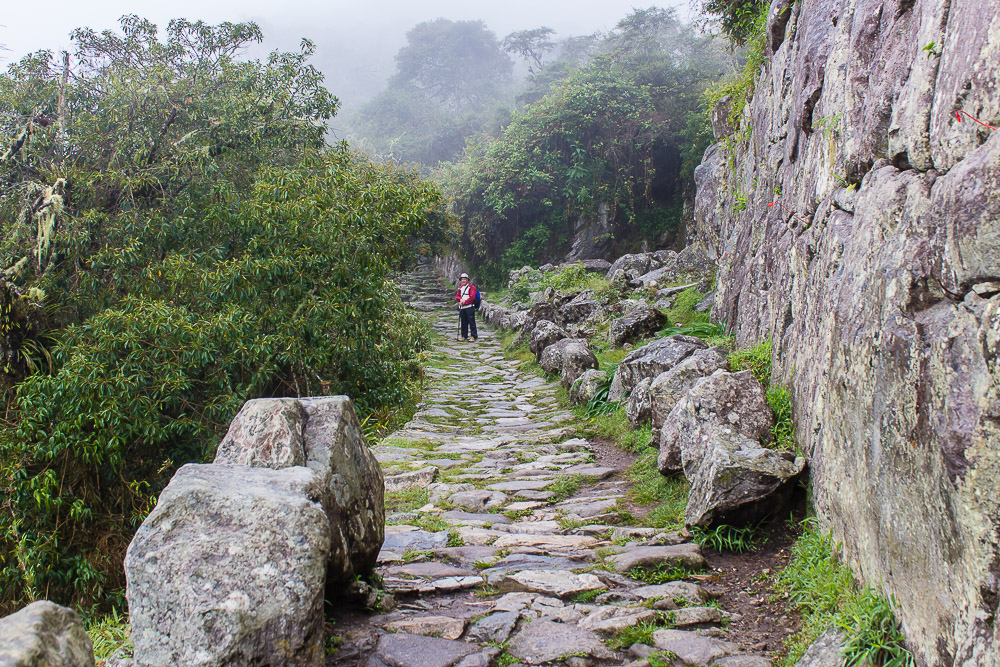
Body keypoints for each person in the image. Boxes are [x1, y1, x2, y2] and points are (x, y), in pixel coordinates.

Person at [455, 272, 478, 341]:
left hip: (469, 307)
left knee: (471, 322)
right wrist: (460, 300)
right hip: (463, 308)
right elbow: (457, 296)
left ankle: (474, 336)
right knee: (463, 322)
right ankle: (463, 336)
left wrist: (464, 302)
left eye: (464, 279)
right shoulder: (460, 288)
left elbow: (472, 297)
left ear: (467, 280)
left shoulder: (471, 287)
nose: (463, 280)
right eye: (462, 279)